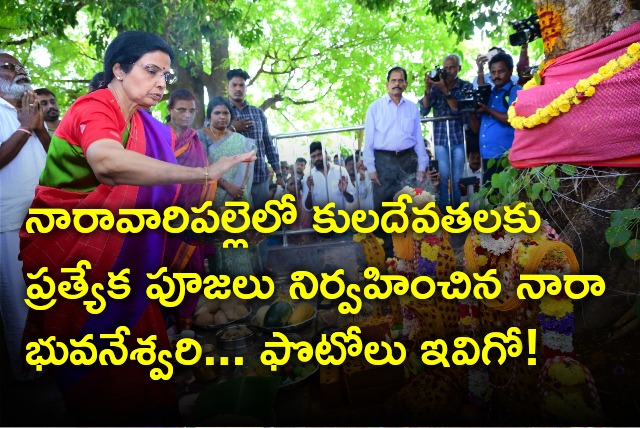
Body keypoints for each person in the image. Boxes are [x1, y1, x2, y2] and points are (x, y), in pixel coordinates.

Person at [18, 31, 255, 425]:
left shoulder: (147, 128)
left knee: (145, 370)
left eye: (166, 74)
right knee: (98, 378)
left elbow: (159, 206)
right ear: (119, 69)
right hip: (78, 266)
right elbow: (108, 164)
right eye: (151, 71)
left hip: (127, 272)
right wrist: (204, 173)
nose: (162, 83)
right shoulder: (93, 109)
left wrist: (222, 230)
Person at [0, 52, 49, 381]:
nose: (20, 71)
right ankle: (27, 375)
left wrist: (38, 125)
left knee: (48, 294)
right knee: (18, 300)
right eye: (9, 66)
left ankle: (53, 360)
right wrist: (24, 128)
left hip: (44, 219)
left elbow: (51, 151)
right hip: (8, 222)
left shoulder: (27, 112)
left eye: (21, 67)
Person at [164, 88, 212, 331]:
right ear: (170, 109)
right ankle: (167, 322)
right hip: (164, 212)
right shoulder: (158, 136)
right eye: (181, 109)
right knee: (165, 268)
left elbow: (205, 175)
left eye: (191, 110)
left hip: (193, 215)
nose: (186, 115)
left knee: (192, 270)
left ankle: (186, 324)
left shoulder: (195, 138)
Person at [197, 96, 259, 277]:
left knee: (240, 241)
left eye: (225, 113)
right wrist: (227, 185)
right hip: (215, 197)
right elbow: (204, 164)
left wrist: (238, 189)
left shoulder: (240, 140)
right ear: (210, 116)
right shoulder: (202, 135)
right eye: (217, 113)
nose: (222, 117)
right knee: (221, 244)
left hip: (238, 199)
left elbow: (246, 167)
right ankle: (223, 292)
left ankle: (244, 289)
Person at [364, 66, 428, 212]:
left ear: (405, 84)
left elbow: (418, 138)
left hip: (408, 159)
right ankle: (382, 235)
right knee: (383, 205)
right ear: (387, 84)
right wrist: (371, 168)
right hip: (383, 161)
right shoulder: (375, 108)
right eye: (393, 80)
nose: (397, 84)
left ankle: (407, 235)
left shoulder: (412, 108)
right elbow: (368, 142)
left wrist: (422, 165)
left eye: (400, 80)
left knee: (409, 204)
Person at [226, 68, 285, 210]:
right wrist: (233, 129)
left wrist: (278, 173)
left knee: (260, 223)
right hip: (232, 181)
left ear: (246, 88)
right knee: (236, 225)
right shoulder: (220, 111)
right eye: (234, 85)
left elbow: (268, 144)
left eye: (242, 85)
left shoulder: (257, 113)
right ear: (227, 87)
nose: (238, 88)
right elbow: (210, 138)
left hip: (259, 177)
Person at [419, 55, 472, 210]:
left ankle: (456, 212)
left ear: (459, 68)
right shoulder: (435, 88)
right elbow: (424, 110)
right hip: (441, 139)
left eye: (452, 67)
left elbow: (457, 109)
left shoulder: (465, 86)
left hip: (458, 138)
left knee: (457, 178)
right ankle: (443, 213)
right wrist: (428, 89)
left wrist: (445, 90)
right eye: (446, 68)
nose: (449, 71)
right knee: (442, 177)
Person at [470, 52, 522, 184]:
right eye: (493, 72)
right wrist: (469, 110)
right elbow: (476, 129)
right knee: (493, 199)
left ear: (510, 71)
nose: (496, 76)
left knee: (509, 198)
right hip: (487, 157)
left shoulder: (515, 90)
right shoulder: (490, 93)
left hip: (507, 156)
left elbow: (512, 118)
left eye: (501, 71)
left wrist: (488, 109)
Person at [302, 141, 355, 221]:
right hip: (322, 224)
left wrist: (344, 192)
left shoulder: (341, 171)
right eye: (313, 157)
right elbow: (307, 207)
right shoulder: (308, 177)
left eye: (319, 155)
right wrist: (310, 190)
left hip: (342, 222)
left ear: (326, 154)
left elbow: (352, 199)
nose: (317, 159)